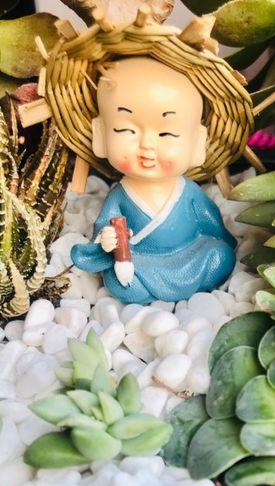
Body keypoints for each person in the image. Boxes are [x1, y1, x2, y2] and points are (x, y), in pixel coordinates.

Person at [71, 57, 236, 304]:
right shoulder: (120, 197)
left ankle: (164, 289)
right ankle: (151, 289)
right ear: (101, 135)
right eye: (126, 130)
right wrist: (107, 241)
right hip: (141, 262)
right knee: (120, 280)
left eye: (167, 133)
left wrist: (225, 242)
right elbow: (105, 229)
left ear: (197, 143)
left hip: (190, 256)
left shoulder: (189, 192)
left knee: (219, 256)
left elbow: (212, 225)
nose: (147, 145)